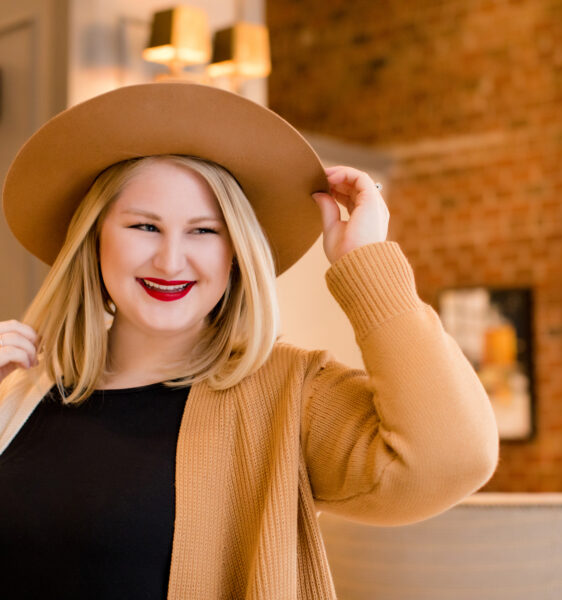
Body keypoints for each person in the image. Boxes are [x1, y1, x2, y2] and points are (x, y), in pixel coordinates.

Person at [0, 82, 499, 599]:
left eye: (205, 231)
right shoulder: (21, 391)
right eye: (145, 227)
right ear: (94, 238)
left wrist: (365, 263)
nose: (171, 261)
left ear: (236, 253)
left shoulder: (288, 395)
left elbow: (452, 459)